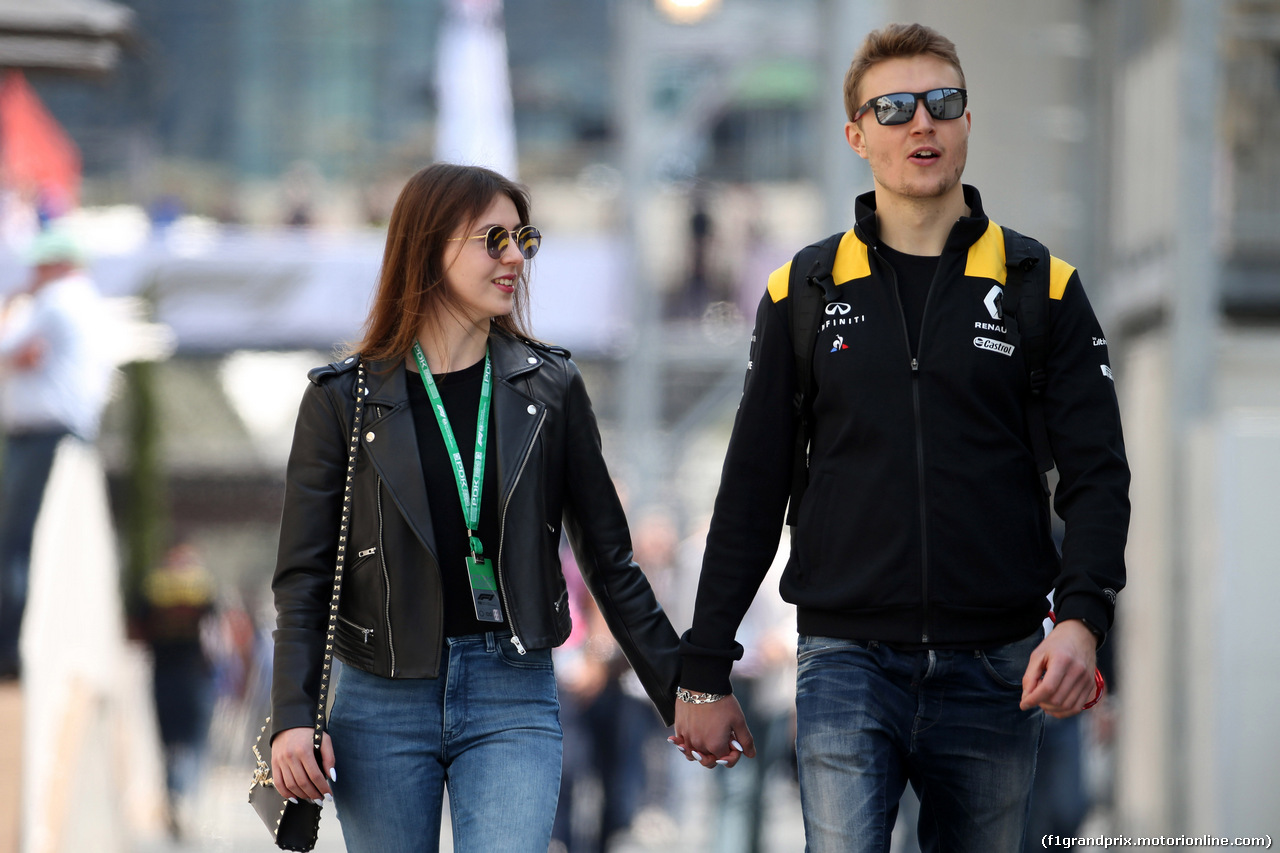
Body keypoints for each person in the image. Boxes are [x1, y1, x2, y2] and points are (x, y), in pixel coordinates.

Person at [672, 23, 1130, 852]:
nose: (922, 122)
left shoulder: (1044, 288)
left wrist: (1084, 618)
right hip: (847, 659)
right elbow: (751, 489)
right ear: (856, 135)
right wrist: (704, 667)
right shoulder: (803, 291)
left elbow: (1098, 475)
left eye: (942, 102)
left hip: (1000, 666)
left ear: (965, 122)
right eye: (893, 108)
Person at [269, 162, 680, 853]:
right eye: (493, 239)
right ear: (428, 247)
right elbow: (303, 578)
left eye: (523, 238)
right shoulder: (343, 400)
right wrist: (290, 715)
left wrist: (683, 688)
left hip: (511, 690)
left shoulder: (549, 387)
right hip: (379, 697)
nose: (515, 257)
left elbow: (610, 560)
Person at [0, 228, 112, 679]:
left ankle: (9, 648)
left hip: (42, 436)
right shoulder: (87, 304)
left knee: (16, 546)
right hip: (65, 436)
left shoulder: (55, 301)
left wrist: (10, 307)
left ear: (59, 265)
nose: (32, 275)